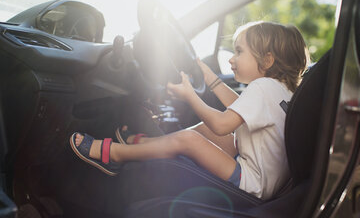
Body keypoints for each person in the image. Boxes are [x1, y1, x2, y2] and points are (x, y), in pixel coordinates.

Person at [70, 21, 308, 200]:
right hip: (267, 183)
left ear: (267, 61)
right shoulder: (281, 91)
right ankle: (145, 145)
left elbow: (222, 124)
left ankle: (115, 154)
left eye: (239, 51)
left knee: (189, 139)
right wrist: (207, 75)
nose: (231, 59)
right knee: (207, 131)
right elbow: (238, 105)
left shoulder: (261, 87)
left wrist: (190, 96)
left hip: (252, 183)